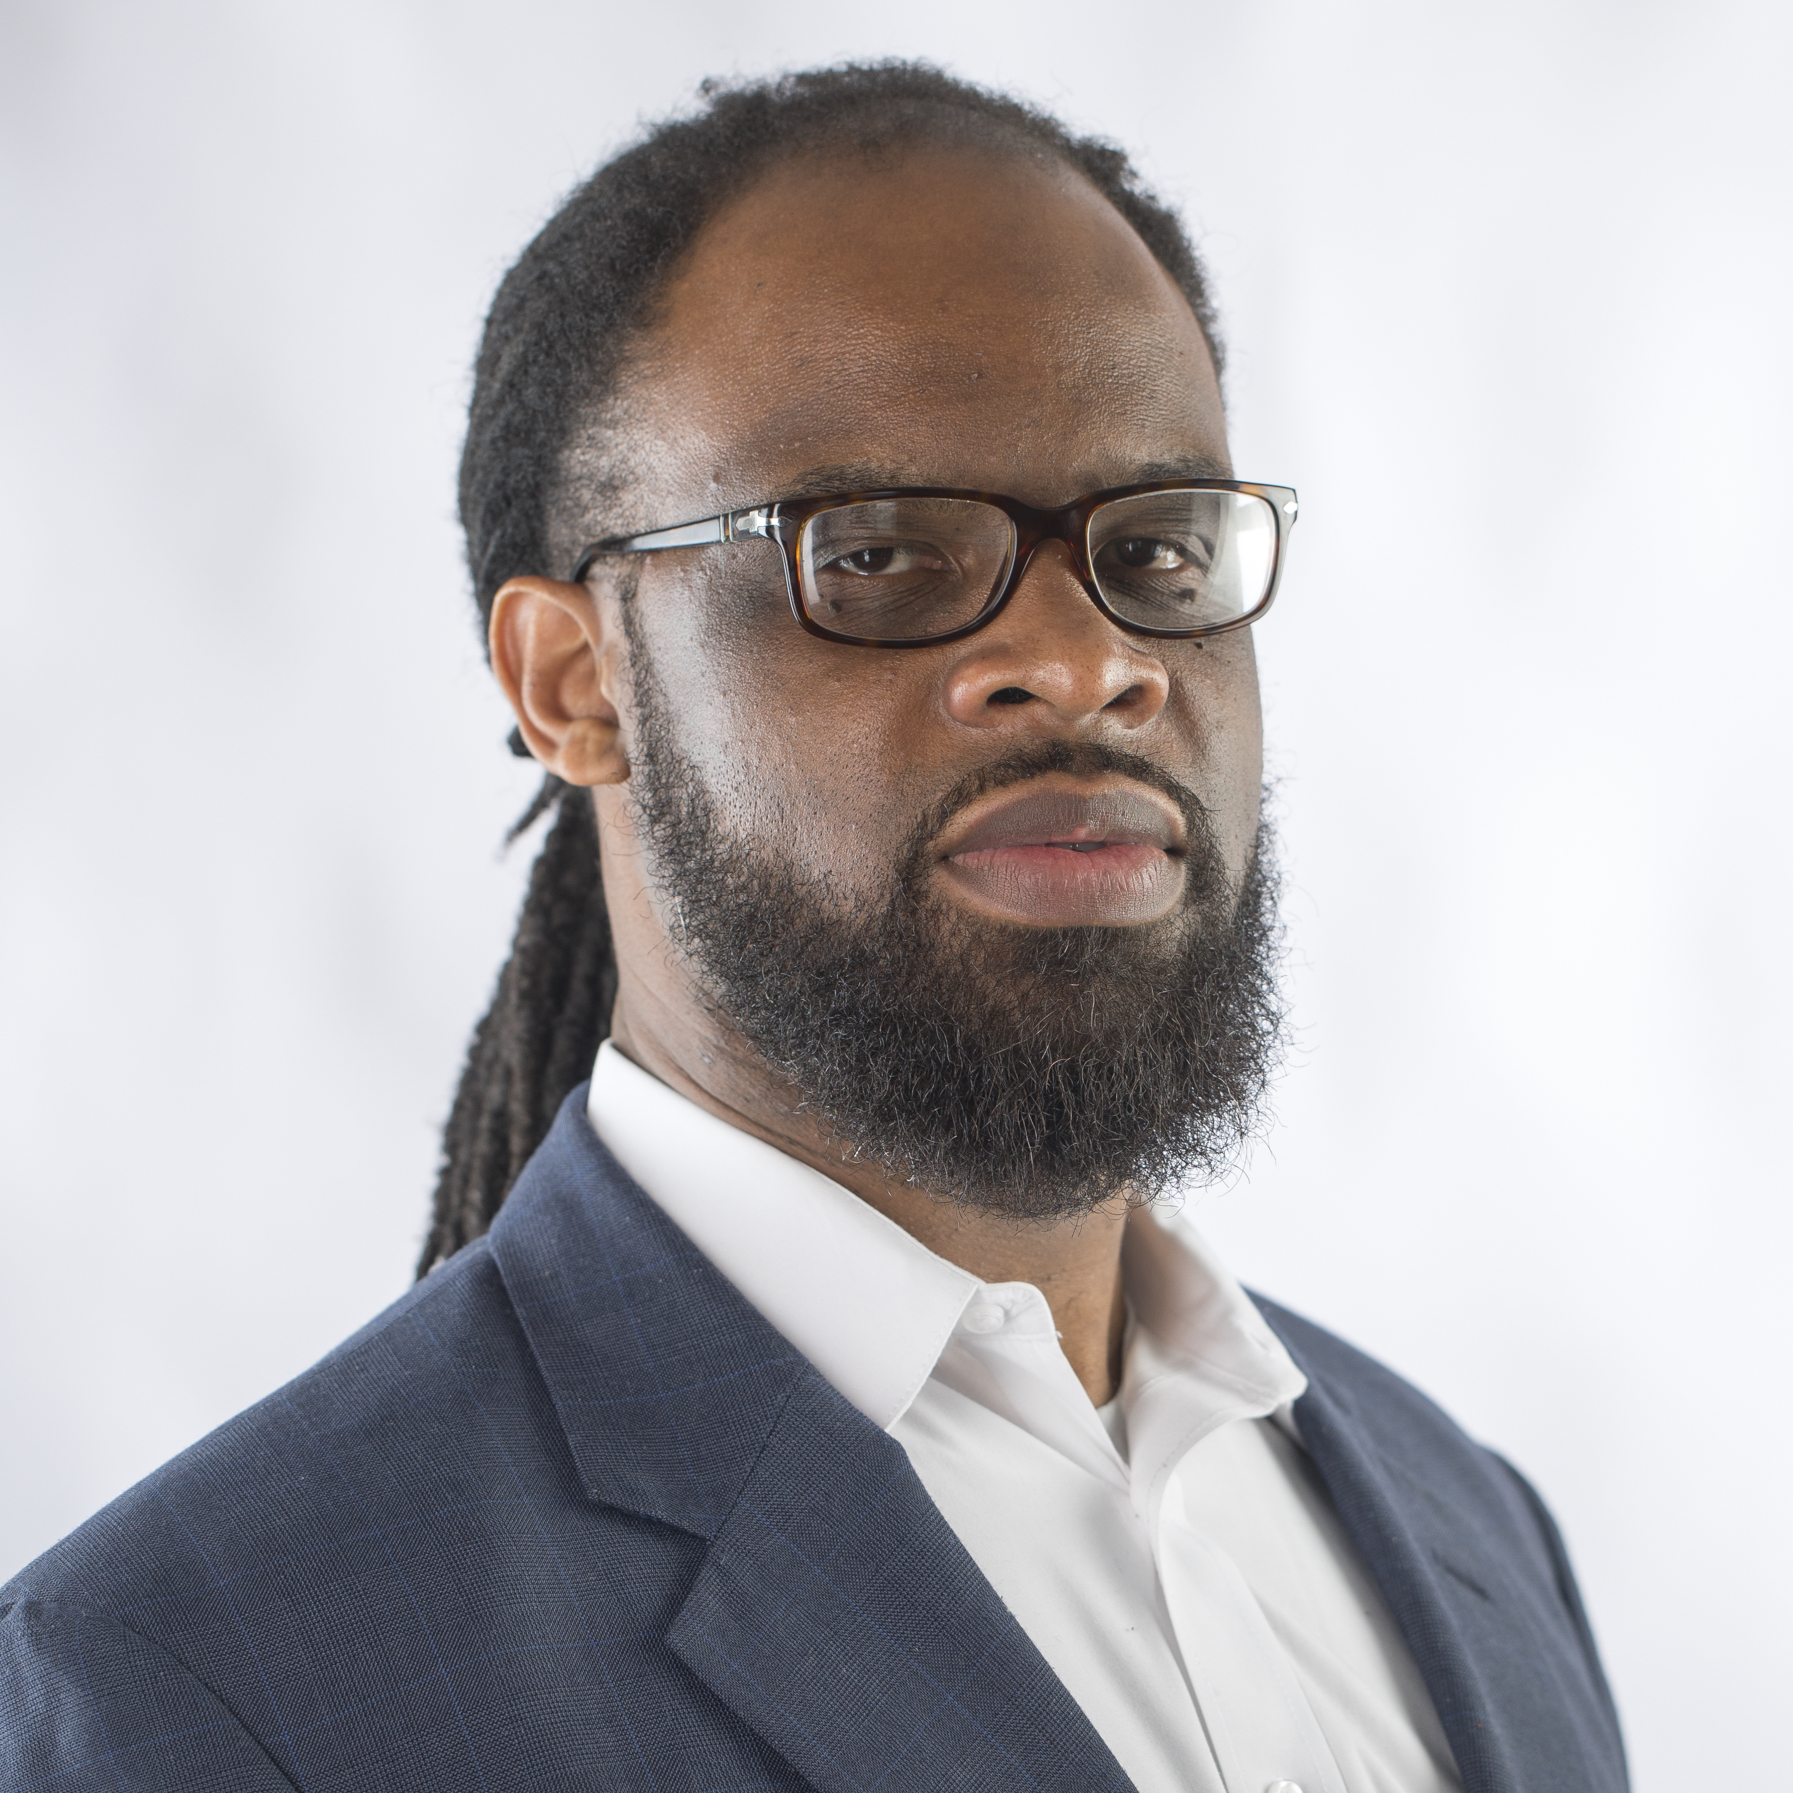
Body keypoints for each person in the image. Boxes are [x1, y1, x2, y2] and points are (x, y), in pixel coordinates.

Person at [0, 64, 1627, 1793]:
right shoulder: (203, 1683)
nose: (1087, 661)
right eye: (877, 556)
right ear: (576, 682)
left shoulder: (1470, 1527)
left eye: (1154, 549)